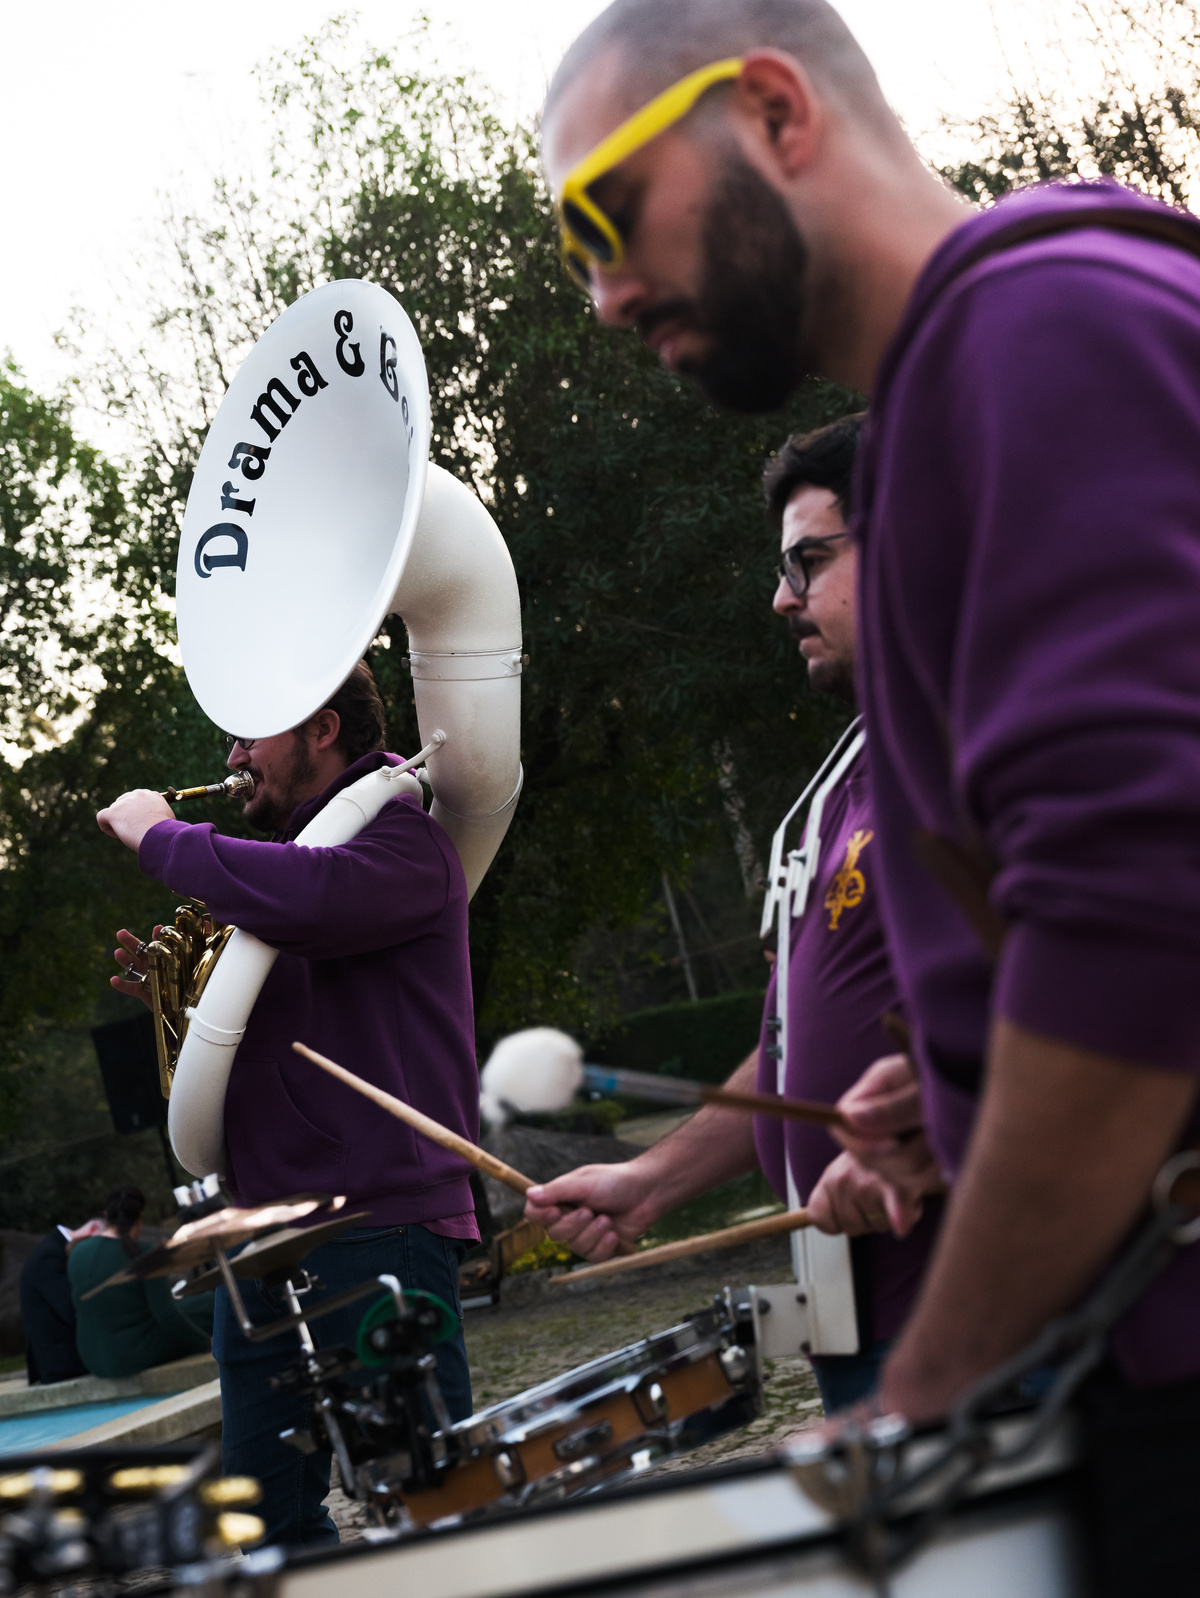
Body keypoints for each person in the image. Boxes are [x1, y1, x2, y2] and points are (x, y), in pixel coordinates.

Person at [540, 1, 1200, 1585]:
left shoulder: (1034, 329)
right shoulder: (992, 375)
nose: (604, 289)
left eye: (608, 214)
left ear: (772, 110)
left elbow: (1141, 922)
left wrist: (921, 1402)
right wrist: (960, 1086)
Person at [526, 414, 943, 1412]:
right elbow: (792, 1050)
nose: (781, 596)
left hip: (974, 1312)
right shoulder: (842, 782)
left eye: (809, 561)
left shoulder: (971, 741)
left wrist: (940, 1107)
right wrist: (653, 1177)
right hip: (859, 1310)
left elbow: (1065, 989)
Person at [96, 660, 479, 1547]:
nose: (232, 755)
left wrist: (165, 839)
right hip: (262, 1234)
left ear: (322, 730)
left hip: (374, 1225)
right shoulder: (286, 875)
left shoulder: (400, 840)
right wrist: (184, 1004)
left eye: (249, 733)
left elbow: (313, 898)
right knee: (270, 1531)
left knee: (430, 1512)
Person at [67, 1185, 212, 1379]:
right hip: (130, 1355)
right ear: (139, 1217)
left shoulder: (77, 1252)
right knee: (209, 1302)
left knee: (191, 1306)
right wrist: (206, 1343)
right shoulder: (144, 1253)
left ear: (106, 1215)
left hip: (92, 1358)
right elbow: (167, 1316)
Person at [20, 1217, 104, 1385]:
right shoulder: (48, 1256)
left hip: (67, 1354)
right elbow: (71, 1308)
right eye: (101, 1245)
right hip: (61, 1362)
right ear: (93, 1229)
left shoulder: (53, 1249)